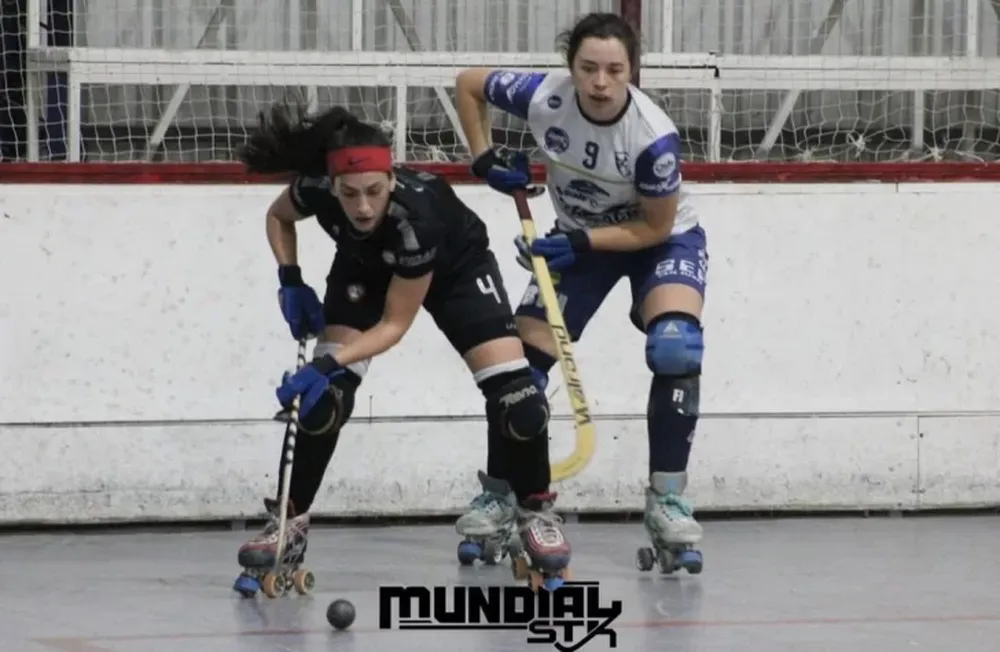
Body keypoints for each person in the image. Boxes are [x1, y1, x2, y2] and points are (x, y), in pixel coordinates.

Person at [230, 103, 572, 594]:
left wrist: (326, 361)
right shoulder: (316, 189)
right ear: (332, 186)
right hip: (363, 271)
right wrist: (290, 280)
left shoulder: (418, 217)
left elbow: (394, 325)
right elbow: (278, 217)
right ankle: (290, 522)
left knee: (520, 403)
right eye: (349, 194)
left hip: (457, 270)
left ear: (391, 178)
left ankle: (535, 511)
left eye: (374, 191)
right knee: (322, 404)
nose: (363, 207)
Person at [454, 12, 707, 573]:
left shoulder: (652, 137)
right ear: (571, 67)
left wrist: (582, 243)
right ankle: (501, 492)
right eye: (588, 68)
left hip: (659, 242)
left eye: (614, 70)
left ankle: (667, 499)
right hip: (581, 241)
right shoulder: (544, 96)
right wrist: (483, 156)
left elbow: (654, 228)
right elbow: (470, 83)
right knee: (519, 370)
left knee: (675, 348)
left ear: (631, 71)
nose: (599, 82)